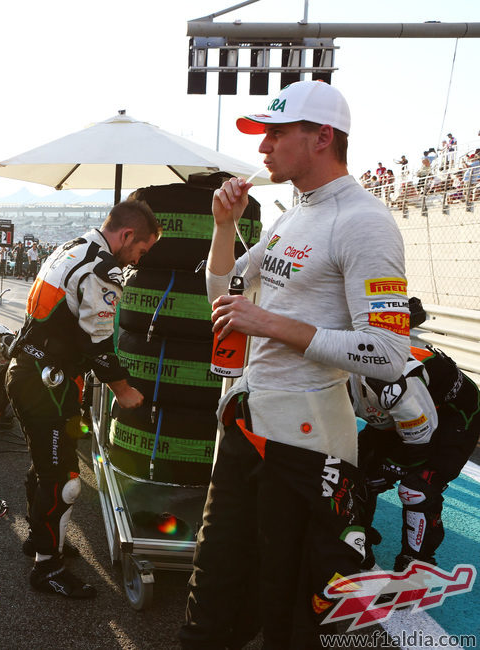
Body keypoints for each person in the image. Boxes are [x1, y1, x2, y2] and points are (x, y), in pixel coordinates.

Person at [180, 80, 411, 649]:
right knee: (214, 582)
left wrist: (272, 325)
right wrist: (224, 226)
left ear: (322, 138)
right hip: (248, 421)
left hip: (307, 446)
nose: (263, 148)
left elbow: (388, 354)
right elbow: (220, 288)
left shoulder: (365, 221)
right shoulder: (293, 214)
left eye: (276, 134)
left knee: (292, 608)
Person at [6, 200, 160, 599]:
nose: (138, 260)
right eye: (141, 251)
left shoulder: (69, 246)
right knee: (64, 481)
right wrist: (123, 390)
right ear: (126, 236)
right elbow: (100, 341)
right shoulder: (101, 268)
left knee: (49, 463)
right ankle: (47, 567)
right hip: (47, 385)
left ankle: (40, 538)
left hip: (38, 376)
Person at [352, 337, 480, 572]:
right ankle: (357, 543)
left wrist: (392, 467)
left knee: (416, 489)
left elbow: (420, 440)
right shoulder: (325, 377)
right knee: (354, 471)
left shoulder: (387, 380)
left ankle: (417, 563)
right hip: (400, 416)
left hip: (452, 417)